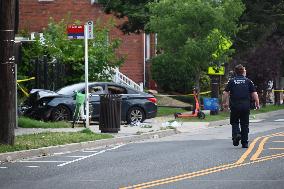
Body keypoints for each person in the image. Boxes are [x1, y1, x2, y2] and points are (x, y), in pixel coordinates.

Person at [222, 64, 260, 148]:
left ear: (235, 72)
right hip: (246, 106)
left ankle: (236, 135)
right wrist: (257, 103)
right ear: (243, 72)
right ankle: (245, 143)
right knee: (245, 124)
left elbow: (225, 93)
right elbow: (254, 93)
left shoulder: (231, 81)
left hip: (235, 106)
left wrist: (224, 103)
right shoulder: (248, 81)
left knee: (234, 122)